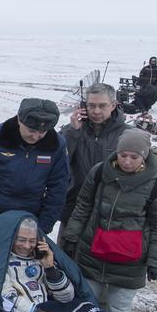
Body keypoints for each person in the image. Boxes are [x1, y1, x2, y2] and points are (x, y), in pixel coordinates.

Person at [59, 129, 157, 312]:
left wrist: (156, 261)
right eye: (123, 155)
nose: (127, 161)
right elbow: (84, 205)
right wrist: (71, 235)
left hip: (129, 263)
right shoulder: (101, 172)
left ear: (144, 156)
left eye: (134, 157)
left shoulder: (156, 185)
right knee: (84, 307)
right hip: (93, 254)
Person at [0, 98, 69, 235]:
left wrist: (44, 226)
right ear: (19, 120)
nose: (36, 136)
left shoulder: (56, 145)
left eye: (42, 132)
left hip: (31, 219)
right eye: (31, 130)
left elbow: (58, 188)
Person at [59, 83, 129, 226]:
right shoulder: (72, 130)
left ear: (113, 105)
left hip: (111, 210)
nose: (96, 111)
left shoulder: (128, 134)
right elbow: (59, 161)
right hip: (74, 207)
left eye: (102, 106)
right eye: (91, 105)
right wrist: (73, 132)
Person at [0, 217, 77, 312]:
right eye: (21, 240)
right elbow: (9, 300)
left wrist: (50, 268)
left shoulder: (42, 260)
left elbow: (66, 298)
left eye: (32, 241)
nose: (27, 246)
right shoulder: (1, 264)